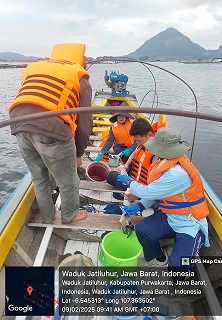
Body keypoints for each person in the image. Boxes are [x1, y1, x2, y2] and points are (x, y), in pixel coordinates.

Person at [8, 43, 93, 224]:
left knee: (39, 178)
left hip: (18, 125)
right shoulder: (80, 78)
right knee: (68, 180)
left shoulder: (35, 68)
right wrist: (78, 154)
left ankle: (48, 217)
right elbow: (84, 124)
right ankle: (69, 216)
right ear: (80, 60)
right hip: (52, 128)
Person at [117, 128, 210, 277]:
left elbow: (147, 192)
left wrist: (129, 181)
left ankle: (184, 276)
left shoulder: (176, 174)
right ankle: (159, 258)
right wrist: (140, 206)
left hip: (189, 222)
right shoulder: (162, 161)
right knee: (142, 229)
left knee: (179, 267)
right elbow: (158, 192)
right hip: (170, 216)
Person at [106, 118, 156, 195]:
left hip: (143, 189)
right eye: (136, 141)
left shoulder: (157, 154)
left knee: (111, 176)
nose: (138, 143)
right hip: (135, 180)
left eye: (139, 141)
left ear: (149, 135)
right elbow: (134, 152)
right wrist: (126, 165)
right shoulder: (144, 143)